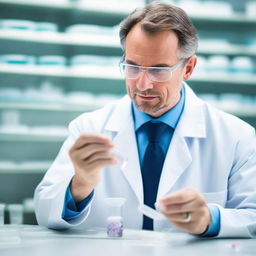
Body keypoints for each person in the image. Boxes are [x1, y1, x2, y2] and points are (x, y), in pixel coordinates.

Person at [34, 2, 256, 237]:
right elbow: (44, 210)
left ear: (188, 68)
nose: (142, 84)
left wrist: (210, 219)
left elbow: (252, 216)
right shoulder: (88, 127)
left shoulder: (236, 136)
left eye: (159, 70)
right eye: (132, 67)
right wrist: (81, 183)